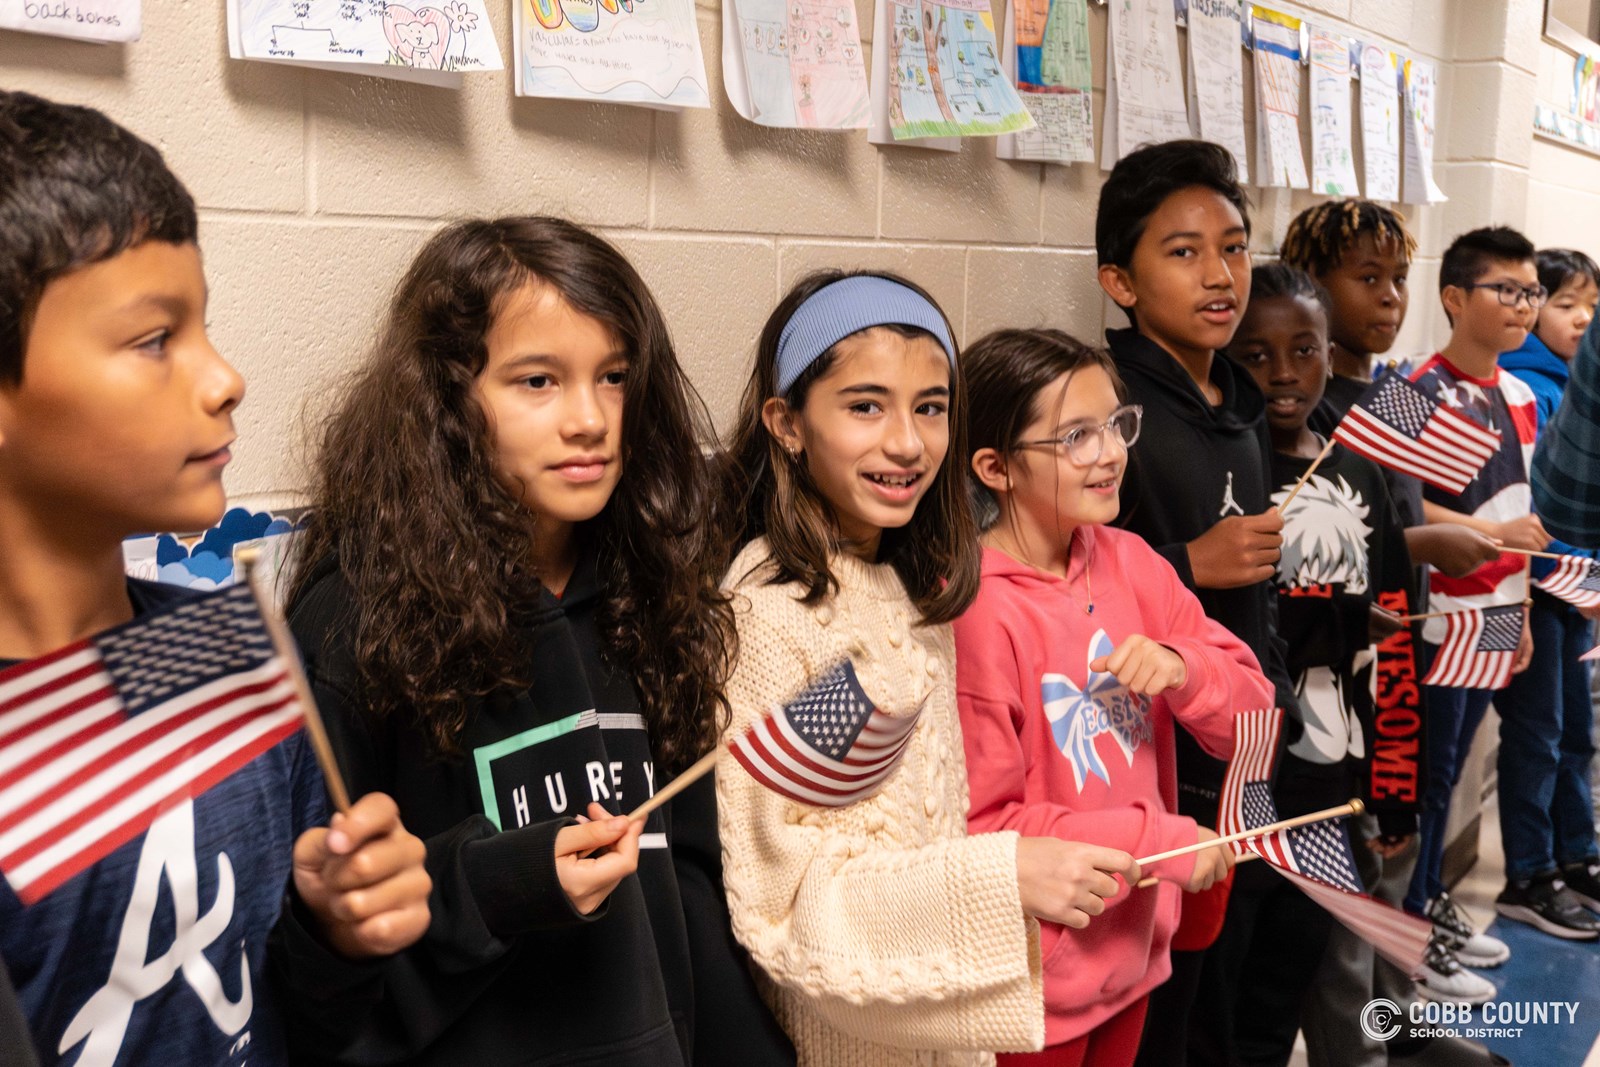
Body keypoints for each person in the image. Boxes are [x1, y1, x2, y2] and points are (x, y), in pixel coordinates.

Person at [286, 216, 791, 1065]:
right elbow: (317, 980)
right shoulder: (352, 625)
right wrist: (501, 884)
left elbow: (689, 892)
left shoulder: (650, 595)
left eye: (614, 377)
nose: (590, 419)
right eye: (537, 381)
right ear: (449, 400)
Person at [0, 89, 430, 1065]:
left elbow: (282, 1012)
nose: (225, 374)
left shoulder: (225, 647)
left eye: (202, 325)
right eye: (155, 339)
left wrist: (336, 930)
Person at [716, 270, 1142, 1066]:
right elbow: (786, 906)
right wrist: (1002, 874)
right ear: (787, 423)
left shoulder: (911, 586)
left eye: (931, 407)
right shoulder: (769, 613)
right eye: (865, 406)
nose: (908, 443)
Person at [957, 327, 1267, 1067]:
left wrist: (1185, 668)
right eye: (1075, 437)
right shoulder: (975, 609)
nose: (1109, 452)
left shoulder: (1134, 564)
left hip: (1131, 955)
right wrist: (1160, 842)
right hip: (1030, 982)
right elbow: (985, 824)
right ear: (995, 466)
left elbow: (1253, 714)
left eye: (1115, 425)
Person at [1093, 138, 1299, 1067]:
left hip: (1243, 745)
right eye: (1183, 252)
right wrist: (1190, 563)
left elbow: (1257, 604)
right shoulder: (1112, 409)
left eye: (1233, 247)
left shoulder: (1239, 399)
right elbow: (1070, 589)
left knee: (1233, 982)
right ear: (1119, 282)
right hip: (1154, 773)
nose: (1221, 276)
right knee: (1160, 1011)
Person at [1224, 265, 1430, 1055]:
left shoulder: (1360, 472)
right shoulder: (1232, 468)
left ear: (1327, 351)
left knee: (1300, 967)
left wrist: (1392, 786)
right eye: (1256, 354)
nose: (1282, 373)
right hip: (1244, 771)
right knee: (1236, 976)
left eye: (1304, 350)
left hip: (1330, 772)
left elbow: (1391, 641)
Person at [1403, 228, 1600, 953]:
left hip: (1498, 611)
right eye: (1505, 290)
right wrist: (1491, 537)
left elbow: (1522, 513)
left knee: (1459, 770)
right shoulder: (1415, 390)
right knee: (1429, 772)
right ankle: (1416, 912)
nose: (1521, 306)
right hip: (1435, 617)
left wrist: (1517, 613)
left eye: (1529, 292)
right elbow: (1397, 508)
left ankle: (1430, 907)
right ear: (1455, 298)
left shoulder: (1519, 394)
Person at [1495, 248, 1600, 935]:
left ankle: (1576, 854)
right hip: (1536, 591)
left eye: (1590, 304)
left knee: (1573, 736)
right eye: (1565, 303)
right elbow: (1538, 505)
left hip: (1578, 593)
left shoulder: (1565, 376)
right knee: (1537, 735)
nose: (1581, 317)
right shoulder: (1525, 387)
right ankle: (1528, 870)